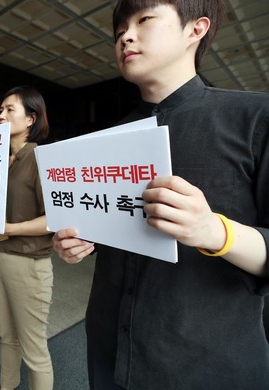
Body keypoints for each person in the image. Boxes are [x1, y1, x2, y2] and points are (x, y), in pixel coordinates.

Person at [52, 1, 269, 388]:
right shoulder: (110, 138)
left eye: (144, 19)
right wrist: (85, 238)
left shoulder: (255, 119)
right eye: (119, 31)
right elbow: (118, 221)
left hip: (200, 365)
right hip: (106, 347)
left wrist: (215, 231)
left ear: (195, 29)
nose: (125, 37)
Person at [0, 86, 54, 390]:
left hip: (29, 265)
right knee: (6, 337)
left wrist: (7, 229)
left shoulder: (41, 158)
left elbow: (52, 220)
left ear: (31, 118)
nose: (0, 115)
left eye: (10, 110)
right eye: (0, 109)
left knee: (34, 349)